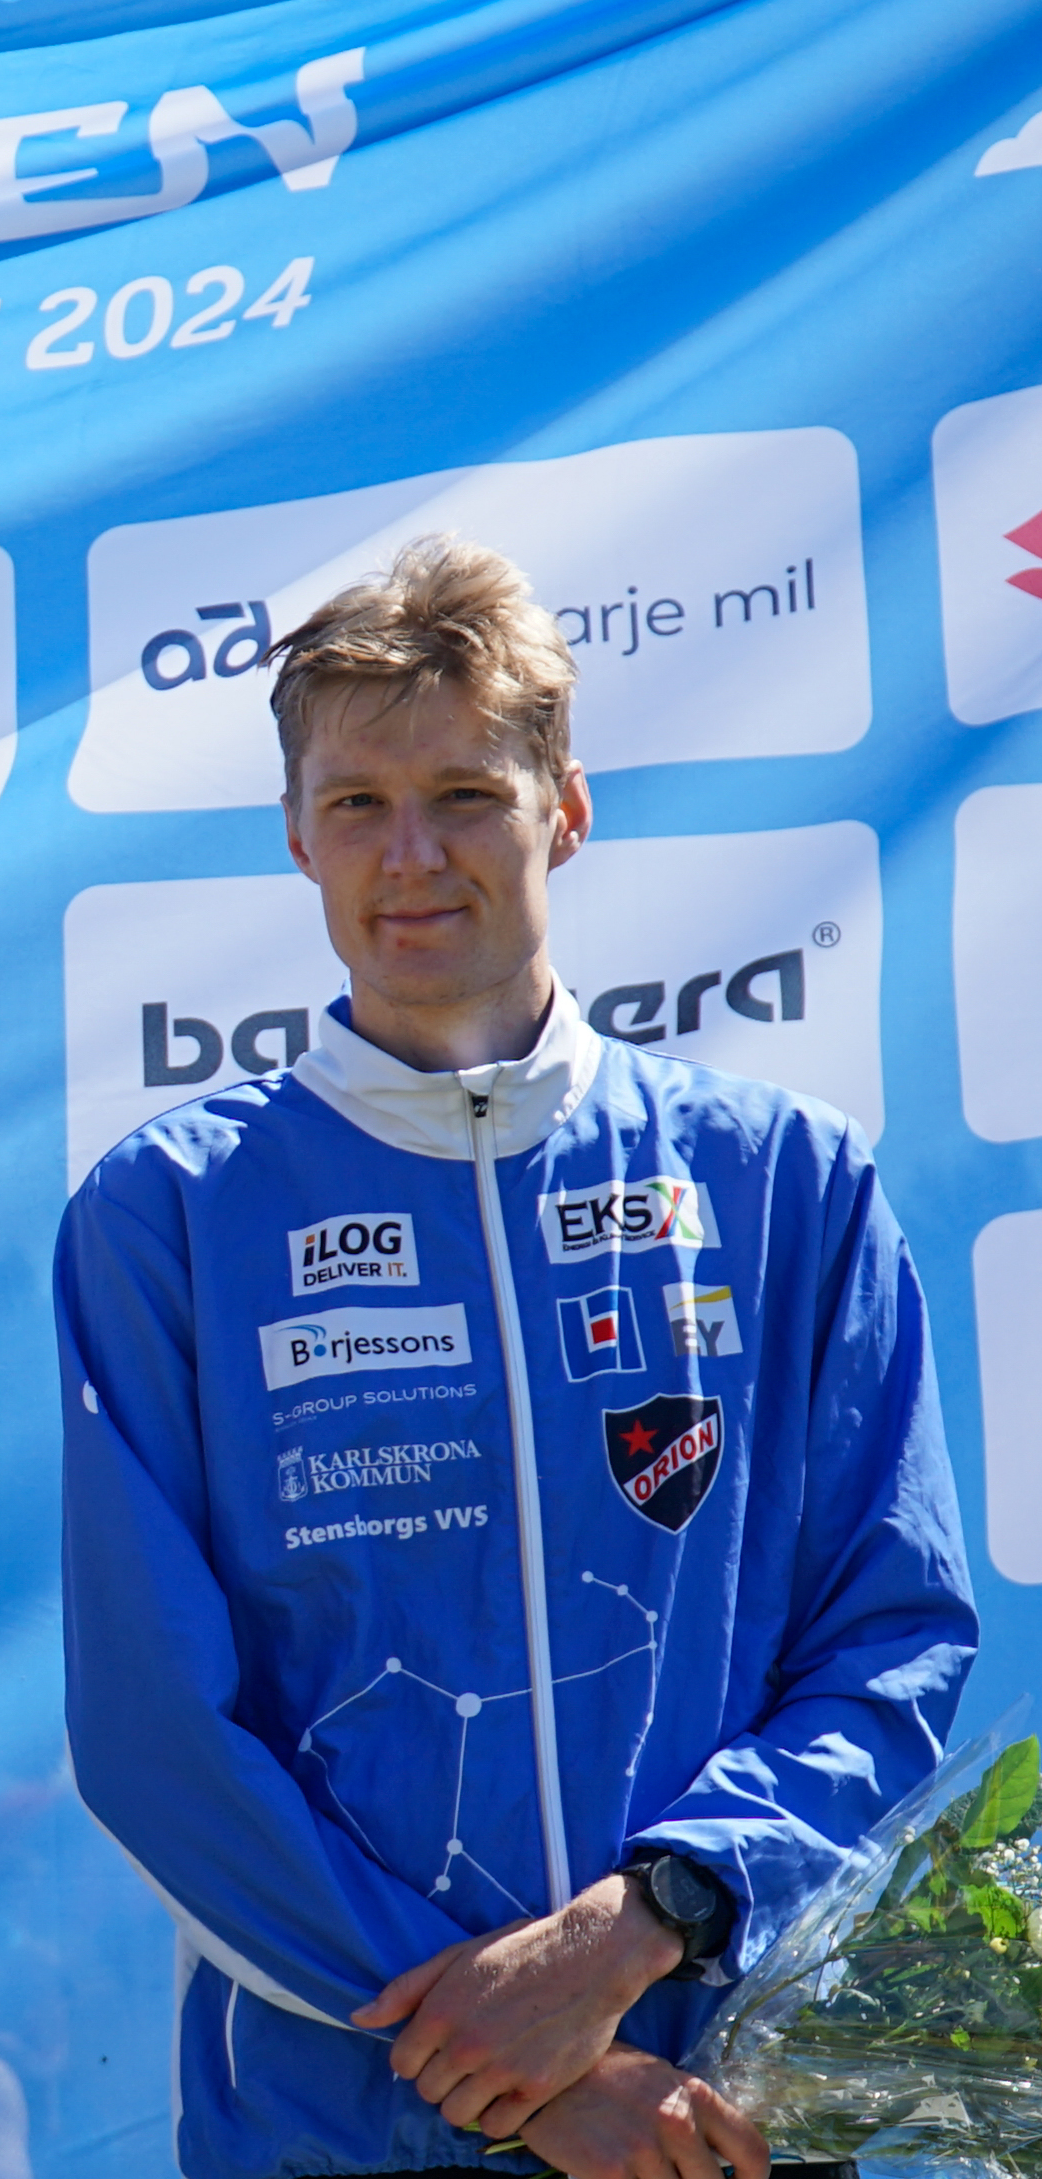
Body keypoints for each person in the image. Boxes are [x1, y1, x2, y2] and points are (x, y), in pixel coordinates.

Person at [55, 536, 977, 2179]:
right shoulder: (170, 1215)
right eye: (358, 803)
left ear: (566, 809)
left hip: (714, 2118)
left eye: (467, 795)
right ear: (295, 835)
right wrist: (526, 2070)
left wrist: (647, 1924)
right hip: (335, 2129)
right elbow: (159, 1736)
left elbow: (889, 1644)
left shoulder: (786, 1183)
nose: (411, 856)